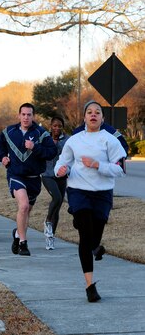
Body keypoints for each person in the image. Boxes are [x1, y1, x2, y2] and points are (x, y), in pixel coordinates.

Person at [54, 100, 126, 302]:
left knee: (94, 236)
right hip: (78, 190)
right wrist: (60, 170)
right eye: (89, 112)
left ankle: (93, 242)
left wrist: (97, 165)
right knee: (86, 237)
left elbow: (119, 169)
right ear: (84, 117)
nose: (93, 115)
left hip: (102, 194)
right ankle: (89, 286)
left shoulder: (110, 141)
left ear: (103, 118)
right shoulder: (74, 141)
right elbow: (63, 162)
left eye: (97, 112)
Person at [0, 103, 57, 256]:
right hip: (16, 175)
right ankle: (23, 243)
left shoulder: (41, 133)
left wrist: (34, 147)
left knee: (26, 212)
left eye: (29, 114)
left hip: (34, 178)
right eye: (23, 114)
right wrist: (2, 156)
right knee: (23, 206)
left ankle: (17, 234)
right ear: (19, 115)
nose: (26, 117)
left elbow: (52, 152)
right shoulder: (9, 131)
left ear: (33, 116)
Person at [42, 116, 69, 250]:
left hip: (61, 175)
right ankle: (47, 221)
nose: (57, 128)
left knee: (57, 207)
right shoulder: (45, 138)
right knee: (57, 198)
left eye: (59, 126)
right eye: (55, 126)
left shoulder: (67, 140)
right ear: (51, 126)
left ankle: (50, 237)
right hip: (47, 174)